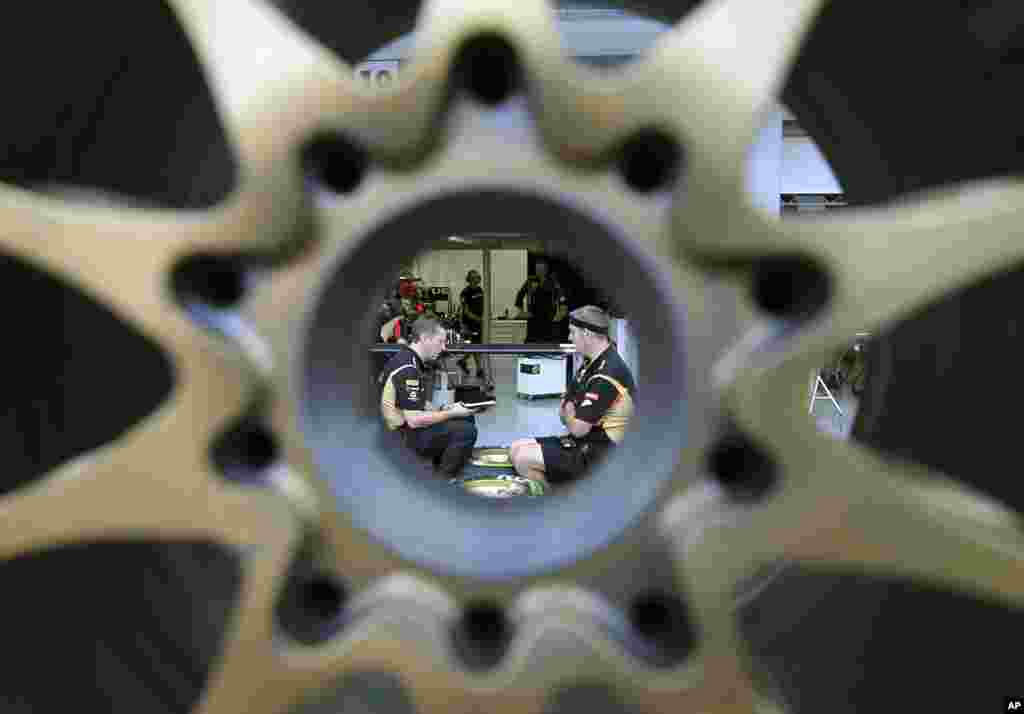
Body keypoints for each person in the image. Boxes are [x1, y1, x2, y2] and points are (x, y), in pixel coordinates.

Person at [509, 306, 635, 488]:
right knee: (516, 447)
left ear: (586, 333)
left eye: (572, 332)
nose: (569, 338)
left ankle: (559, 504)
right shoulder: (591, 361)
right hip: (588, 440)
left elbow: (577, 427)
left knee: (522, 459)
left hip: (603, 454)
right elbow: (566, 407)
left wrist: (569, 414)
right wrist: (569, 413)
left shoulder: (607, 374)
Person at [379, 315, 479, 479]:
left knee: (467, 418)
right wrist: (451, 413)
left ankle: (440, 464)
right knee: (466, 431)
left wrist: (443, 409)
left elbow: (413, 400)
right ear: (425, 338)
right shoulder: (408, 368)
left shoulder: (408, 357)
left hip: (403, 427)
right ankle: (441, 481)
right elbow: (414, 420)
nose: (444, 347)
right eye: (440, 341)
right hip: (401, 437)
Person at [514, 258, 568, 343]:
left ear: (546, 269)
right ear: (535, 269)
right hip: (533, 319)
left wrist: (561, 311)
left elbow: (562, 297)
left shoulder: (553, 281)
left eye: (542, 269)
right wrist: (521, 312)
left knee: (548, 345)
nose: (539, 271)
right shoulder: (530, 281)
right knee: (532, 345)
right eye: (538, 269)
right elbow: (519, 296)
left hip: (549, 319)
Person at [456, 269, 493, 390]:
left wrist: (486, 315)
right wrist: (477, 319)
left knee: (476, 345)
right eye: (475, 277)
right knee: (475, 345)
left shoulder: (480, 290)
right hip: (469, 324)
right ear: (470, 279)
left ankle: (465, 362)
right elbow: (465, 311)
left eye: (478, 276)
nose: (478, 278)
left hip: (479, 322)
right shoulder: (465, 292)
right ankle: (479, 369)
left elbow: (483, 305)